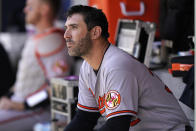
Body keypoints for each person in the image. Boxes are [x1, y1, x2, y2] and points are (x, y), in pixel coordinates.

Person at [63, 5, 192, 131]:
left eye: (74, 28)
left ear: (95, 32)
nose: (66, 35)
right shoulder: (87, 66)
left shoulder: (117, 66)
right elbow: (85, 118)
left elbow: (117, 126)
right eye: (66, 28)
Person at [0, 0, 73, 130]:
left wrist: (22, 105)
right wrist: (8, 99)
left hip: (37, 111)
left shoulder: (53, 40)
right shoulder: (38, 36)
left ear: (44, 9)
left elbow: (55, 90)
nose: (25, 10)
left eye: (30, 7)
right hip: (18, 105)